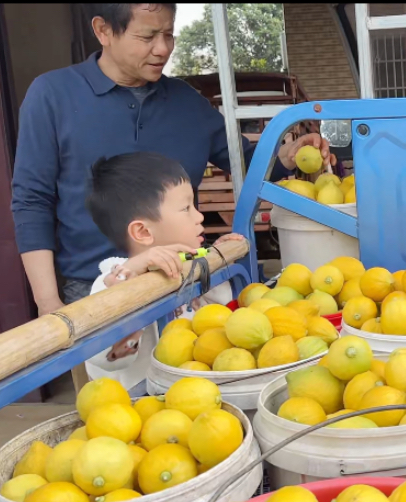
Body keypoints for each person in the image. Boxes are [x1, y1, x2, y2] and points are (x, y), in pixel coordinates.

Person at [11, 2, 335, 318]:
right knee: (111, 372)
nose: (163, 49)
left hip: (183, 284)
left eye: (169, 34)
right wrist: (48, 302)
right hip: (94, 292)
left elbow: (244, 160)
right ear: (103, 30)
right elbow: (31, 200)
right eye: (147, 37)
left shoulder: (186, 102)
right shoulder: (52, 96)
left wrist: (286, 155)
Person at [85, 151, 239, 395]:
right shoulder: (112, 279)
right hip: (143, 406)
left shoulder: (189, 263)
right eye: (186, 208)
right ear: (143, 232)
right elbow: (102, 355)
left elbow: (218, 316)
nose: (199, 217)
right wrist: (133, 273)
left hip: (197, 389)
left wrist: (218, 259)